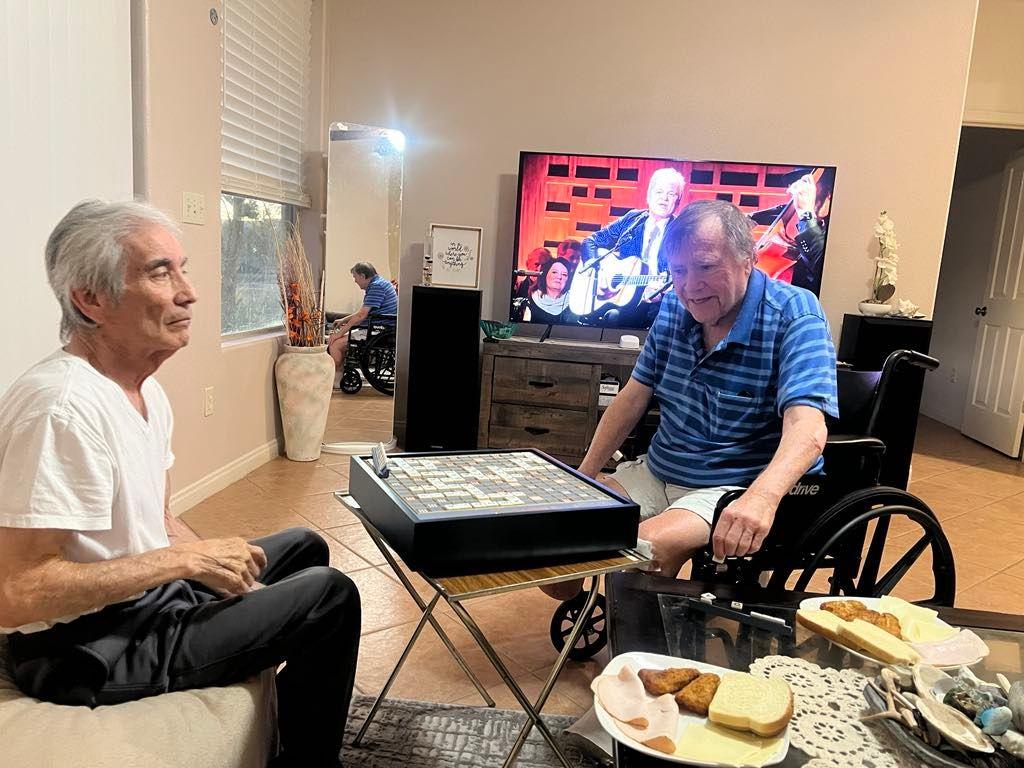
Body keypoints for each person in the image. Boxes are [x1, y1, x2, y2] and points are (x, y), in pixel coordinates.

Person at [0, 200, 360, 768]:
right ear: (90, 300)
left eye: (181, 269)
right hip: (87, 649)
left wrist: (205, 561)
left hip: (147, 604)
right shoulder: (61, 409)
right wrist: (184, 565)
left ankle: (287, 722)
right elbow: (14, 593)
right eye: (159, 272)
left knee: (303, 547)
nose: (188, 292)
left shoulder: (143, 390)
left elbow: (161, 523)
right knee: (330, 597)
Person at [543, 199, 837, 600]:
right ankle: (624, 612)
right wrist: (584, 475)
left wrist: (763, 498)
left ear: (748, 258)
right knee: (559, 544)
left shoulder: (795, 314)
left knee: (638, 551)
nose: (689, 285)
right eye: (679, 270)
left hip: (731, 485)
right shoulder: (674, 307)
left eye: (706, 266)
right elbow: (632, 398)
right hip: (660, 470)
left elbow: (808, 427)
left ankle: (645, 637)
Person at [575, 167, 685, 327]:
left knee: (615, 318)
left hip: (656, 305)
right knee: (575, 317)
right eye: (659, 192)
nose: (664, 198)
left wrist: (663, 292)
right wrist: (596, 270)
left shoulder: (681, 231)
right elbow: (591, 241)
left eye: (671, 194)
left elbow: (687, 275)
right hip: (617, 297)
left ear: (678, 201)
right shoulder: (632, 219)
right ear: (649, 195)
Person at [327, 261, 399, 382]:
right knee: (338, 339)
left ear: (362, 276)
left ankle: (337, 381)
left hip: (379, 330)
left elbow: (361, 315)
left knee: (336, 345)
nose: (355, 281)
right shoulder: (380, 283)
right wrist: (344, 319)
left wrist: (339, 334)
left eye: (355, 277)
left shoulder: (377, 287)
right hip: (381, 327)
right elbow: (363, 312)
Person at [525, 256, 576, 324]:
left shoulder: (574, 301)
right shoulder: (531, 297)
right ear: (545, 275)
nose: (559, 277)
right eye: (554, 272)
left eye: (564, 274)